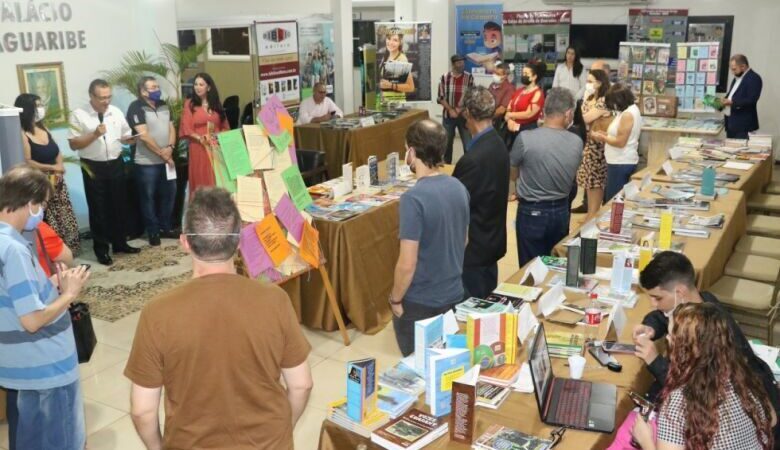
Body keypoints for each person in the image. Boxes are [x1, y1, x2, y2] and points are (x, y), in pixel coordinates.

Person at [124, 187, 313, 450]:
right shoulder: (275, 300)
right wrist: (281, 431)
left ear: (185, 242)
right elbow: (301, 385)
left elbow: (142, 410)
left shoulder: (157, 313)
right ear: (238, 241)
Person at [632, 251, 780, 439]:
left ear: (679, 293)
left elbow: (693, 393)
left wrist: (654, 360)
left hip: (751, 424)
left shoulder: (710, 337)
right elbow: (660, 317)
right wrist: (650, 328)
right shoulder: (704, 302)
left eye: (657, 298)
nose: (653, 304)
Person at [0, 166, 90, 450]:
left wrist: (51, 284)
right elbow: (32, 320)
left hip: (18, 365)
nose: (41, 213)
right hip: (44, 368)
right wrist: (69, 293)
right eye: (41, 205)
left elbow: (14, 297)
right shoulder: (13, 249)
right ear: (30, 203)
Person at [631, 302, 775, 450]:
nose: (667, 339)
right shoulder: (743, 376)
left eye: (671, 336)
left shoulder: (679, 402)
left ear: (683, 349)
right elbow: (772, 420)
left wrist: (645, 440)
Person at [389, 120, 469, 356]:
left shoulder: (413, 199)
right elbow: (464, 240)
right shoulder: (458, 187)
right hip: (453, 294)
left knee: (418, 369)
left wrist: (395, 299)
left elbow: (407, 264)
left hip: (420, 303)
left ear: (411, 152)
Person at [68, 78, 140, 266]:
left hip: (115, 163)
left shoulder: (115, 111)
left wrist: (129, 140)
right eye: (102, 98)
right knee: (99, 209)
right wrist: (94, 134)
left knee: (119, 205)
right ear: (91, 96)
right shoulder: (78, 114)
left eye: (109, 97)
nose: (106, 101)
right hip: (93, 166)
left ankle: (120, 243)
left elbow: (124, 135)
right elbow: (73, 143)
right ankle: (101, 250)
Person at [510, 88, 581, 267]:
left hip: (531, 211)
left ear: (544, 111)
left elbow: (512, 170)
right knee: (555, 267)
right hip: (561, 211)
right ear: (568, 113)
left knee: (530, 268)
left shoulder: (525, 138)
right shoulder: (576, 142)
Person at [453, 87, 509, 298]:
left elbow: (454, 204)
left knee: (472, 312)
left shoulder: (473, 159)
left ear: (468, 113)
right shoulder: (497, 143)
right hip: (491, 242)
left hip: (474, 250)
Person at [14, 93, 80, 255]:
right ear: (28, 109)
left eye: (41, 105)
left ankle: (67, 251)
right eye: (37, 106)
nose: (41, 109)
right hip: (40, 184)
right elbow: (28, 161)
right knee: (47, 220)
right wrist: (52, 168)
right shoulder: (22, 133)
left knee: (63, 217)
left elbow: (56, 150)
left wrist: (59, 165)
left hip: (57, 182)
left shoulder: (43, 128)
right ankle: (51, 256)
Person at [126, 76, 178, 247]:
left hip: (167, 159)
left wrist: (170, 147)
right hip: (146, 163)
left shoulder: (164, 104)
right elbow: (144, 135)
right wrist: (163, 154)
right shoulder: (136, 107)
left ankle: (166, 227)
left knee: (169, 194)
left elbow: (171, 128)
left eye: (157, 86)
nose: (157, 90)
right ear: (143, 91)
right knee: (148, 197)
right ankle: (153, 231)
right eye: (153, 87)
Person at [179, 73, 230, 197]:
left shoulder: (216, 104)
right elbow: (186, 127)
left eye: (201, 84)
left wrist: (217, 137)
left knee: (217, 181)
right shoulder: (190, 104)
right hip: (199, 148)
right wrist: (201, 138)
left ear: (209, 87)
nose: (197, 87)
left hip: (216, 148)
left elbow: (225, 127)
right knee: (202, 181)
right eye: (195, 84)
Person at [591, 83, 642, 202]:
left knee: (613, 201)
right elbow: (619, 136)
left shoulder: (627, 114)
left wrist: (602, 138)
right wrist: (606, 135)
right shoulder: (630, 110)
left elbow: (620, 142)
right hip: (620, 160)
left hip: (620, 162)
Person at [572, 69, 611, 220]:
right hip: (586, 144)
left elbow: (585, 118)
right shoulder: (588, 97)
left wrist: (579, 117)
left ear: (599, 83)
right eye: (587, 81)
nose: (587, 84)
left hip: (597, 148)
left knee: (596, 182)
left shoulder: (604, 100)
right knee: (587, 182)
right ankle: (590, 214)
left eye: (590, 81)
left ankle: (593, 216)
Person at [436, 54, 474, 163]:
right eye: (459, 62)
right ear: (453, 64)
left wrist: (458, 109)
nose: (462, 64)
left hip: (464, 116)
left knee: (468, 143)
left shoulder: (469, 77)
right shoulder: (444, 77)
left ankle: (469, 165)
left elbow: (470, 95)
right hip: (448, 116)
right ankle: (447, 165)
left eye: (463, 62)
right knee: (447, 143)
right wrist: (450, 110)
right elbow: (440, 97)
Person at [505, 60, 546, 148]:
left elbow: (529, 114)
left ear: (534, 77)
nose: (523, 75)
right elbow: (509, 106)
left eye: (526, 73)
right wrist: (509, 120)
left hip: (527, 130)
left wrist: (510, 115)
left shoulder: (538, 93)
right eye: (523, 73)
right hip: (513, 128)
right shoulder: (519, 90)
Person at [721, 54, 762, 139]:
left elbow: (752, 100)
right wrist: (723, 100)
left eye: (734, 69)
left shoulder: (754, 78)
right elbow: (731, 95)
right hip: (731, 124)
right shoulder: (737, 77)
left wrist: (732, 102)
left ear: (743, 66)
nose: (732, 72)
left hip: (743, 126)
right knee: (730, 150)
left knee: (740, 152)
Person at [379, 28, 415, 97]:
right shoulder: (385, 56)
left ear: (400, 42)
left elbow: (411, 87)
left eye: (395, 40)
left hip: (396, 104)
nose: (391, 42)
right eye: (389, 38)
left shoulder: (402, 59)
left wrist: (391, 85)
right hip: (385, 102)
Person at [487, 62, 515, 132]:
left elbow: (501, 110)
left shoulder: (509, 88)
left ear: (505, 76)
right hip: (488, 120)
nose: (495, 75)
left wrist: (488, 118)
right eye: (494, 73)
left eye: (498, 74)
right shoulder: (492, 85)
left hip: (498, 123)